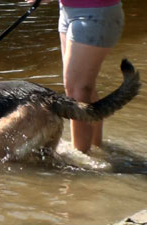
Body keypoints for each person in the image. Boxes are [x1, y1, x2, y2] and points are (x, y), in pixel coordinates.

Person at [25, 0, 124, 153]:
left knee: (77, 90)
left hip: (94, 12)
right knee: (84, 88)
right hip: (68, 10)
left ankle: (80, 157)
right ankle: (95, 149)